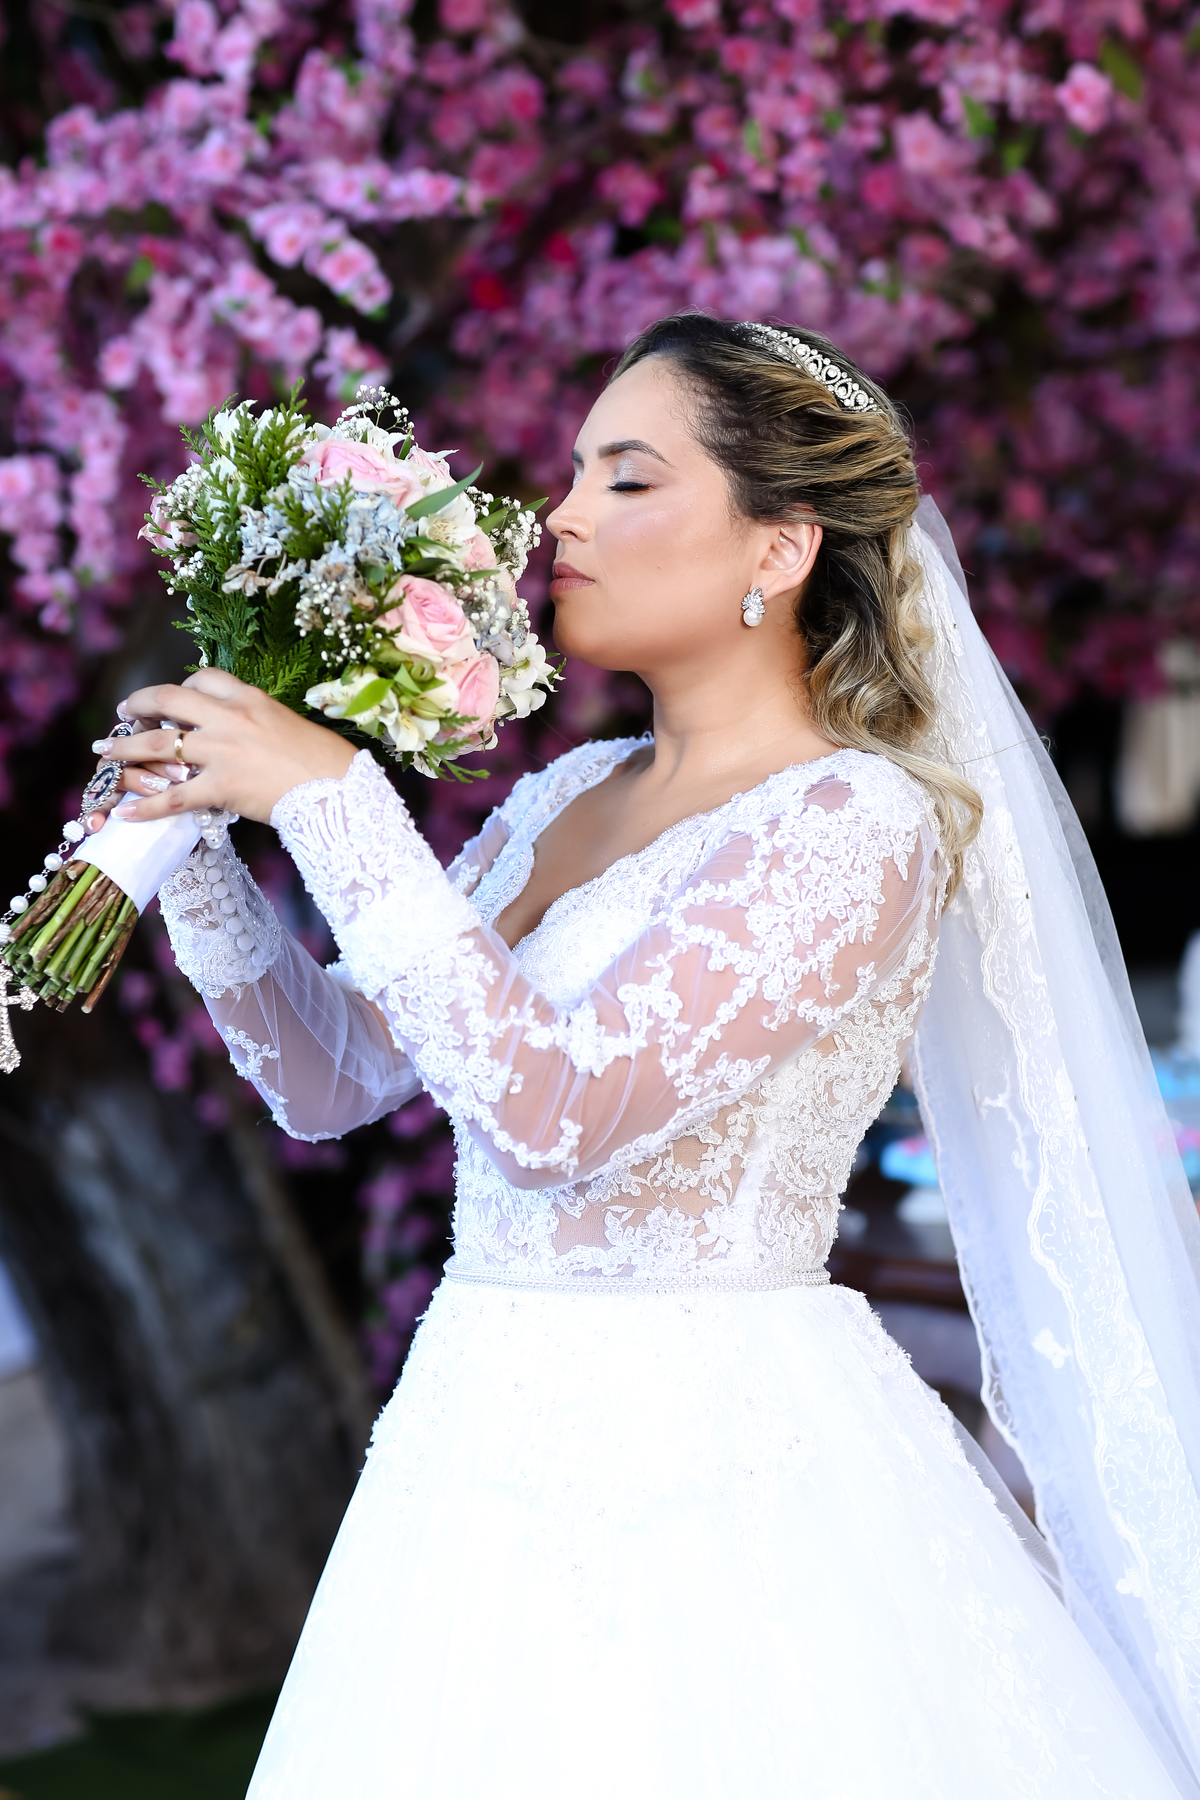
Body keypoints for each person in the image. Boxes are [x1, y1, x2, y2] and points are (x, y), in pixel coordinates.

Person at [93, 314, 1200, 1798]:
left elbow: (557, 1116)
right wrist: (199, 847)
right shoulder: (568, 793)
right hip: (473, 1446)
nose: (559, 518)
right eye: (574, 475)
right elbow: (333, 1077)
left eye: (626, 478)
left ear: (779, 547)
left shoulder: (856, 824)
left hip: (715, 1472)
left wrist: (337, 800)